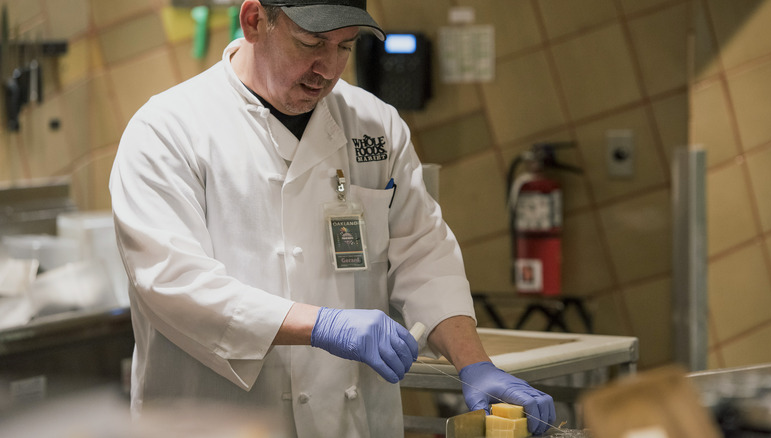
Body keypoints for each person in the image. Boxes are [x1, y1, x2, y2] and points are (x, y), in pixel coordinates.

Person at [109, 0, 555, 436]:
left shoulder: (375, 125)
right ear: (254, 20)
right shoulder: (167, 131)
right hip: (218, 421)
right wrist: (324, 326)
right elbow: (172, 283)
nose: (328, 68)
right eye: (311, 43)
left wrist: (473, 362)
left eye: (345, 46)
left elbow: (423, 251)